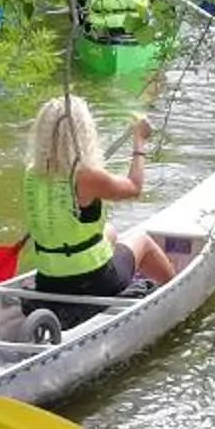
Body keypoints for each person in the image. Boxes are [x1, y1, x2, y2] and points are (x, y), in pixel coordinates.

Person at [22, 95, 179, 305]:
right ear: (83, 133)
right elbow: (134, 187)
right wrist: (139, 141)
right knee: (142, 240)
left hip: (48, 280)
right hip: (92, 282)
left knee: (111, 231)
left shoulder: (32, 173)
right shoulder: (86, 177)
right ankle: (175, 293)